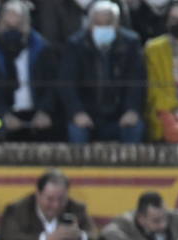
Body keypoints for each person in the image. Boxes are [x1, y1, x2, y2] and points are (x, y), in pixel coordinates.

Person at [59, 0, 147, 143]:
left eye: (108, 23)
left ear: (117, 23)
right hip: (87, 113)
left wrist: (132, 110)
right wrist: (77, 112)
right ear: (89, 24)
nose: (103, 28)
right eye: (98, 23)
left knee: (135, 127)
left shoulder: (131, 42)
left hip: (120, 113)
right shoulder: (75, 44)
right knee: (77, 131)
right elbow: (66, 83)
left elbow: (137, 80)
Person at [0, 0, 60, 140]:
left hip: (38, 115)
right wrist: (3, 114)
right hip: (1, 116)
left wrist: (45, 111)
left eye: (18, 22)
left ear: (27, 23)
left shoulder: (41, 49)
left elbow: (52, 85)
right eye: (7, 21)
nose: (12, 26)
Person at [0, 168, 96, 240]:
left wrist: (80, 237)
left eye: (61, 199)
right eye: (50, 199)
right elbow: (7, 236)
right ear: (38, 194)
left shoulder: (77, 209)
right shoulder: (17, 210)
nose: (56, 205)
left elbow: (94, 236)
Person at [143, 0, 178, 142]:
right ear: (167, 22)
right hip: (166, 110)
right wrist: (177, 108)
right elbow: (152, 89)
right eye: (175, 19)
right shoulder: (153, 49)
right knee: (173, 133)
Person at [99, 191, 178, 240]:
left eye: (165, 218)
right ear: (141, 219)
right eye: (156, 220)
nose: (163, 225)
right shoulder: (126, 221)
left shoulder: (176, 217)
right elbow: (108, 233)